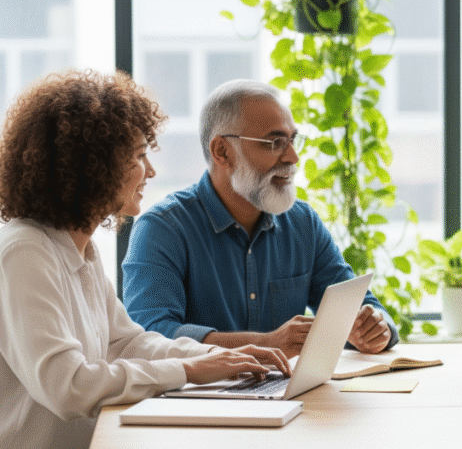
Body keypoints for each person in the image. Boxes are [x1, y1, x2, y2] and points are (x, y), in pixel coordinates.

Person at [0, 70, 290, 449]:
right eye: (138, 157)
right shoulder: (23, 253)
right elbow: (68, 387)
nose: (150, 171)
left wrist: (218, 356)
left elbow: (126, 343)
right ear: (90, 166)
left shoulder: (80, 251)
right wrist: (188, 369)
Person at [122, 79, 397, 357]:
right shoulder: (162, 228)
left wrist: (376, 328)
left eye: (292, 140)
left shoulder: (303, 223)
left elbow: (360, 308)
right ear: (222, 152)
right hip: (198, 399)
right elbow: (151, 334)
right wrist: (266, 344)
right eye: (275, 142)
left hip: (290, 396)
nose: (293, 157)